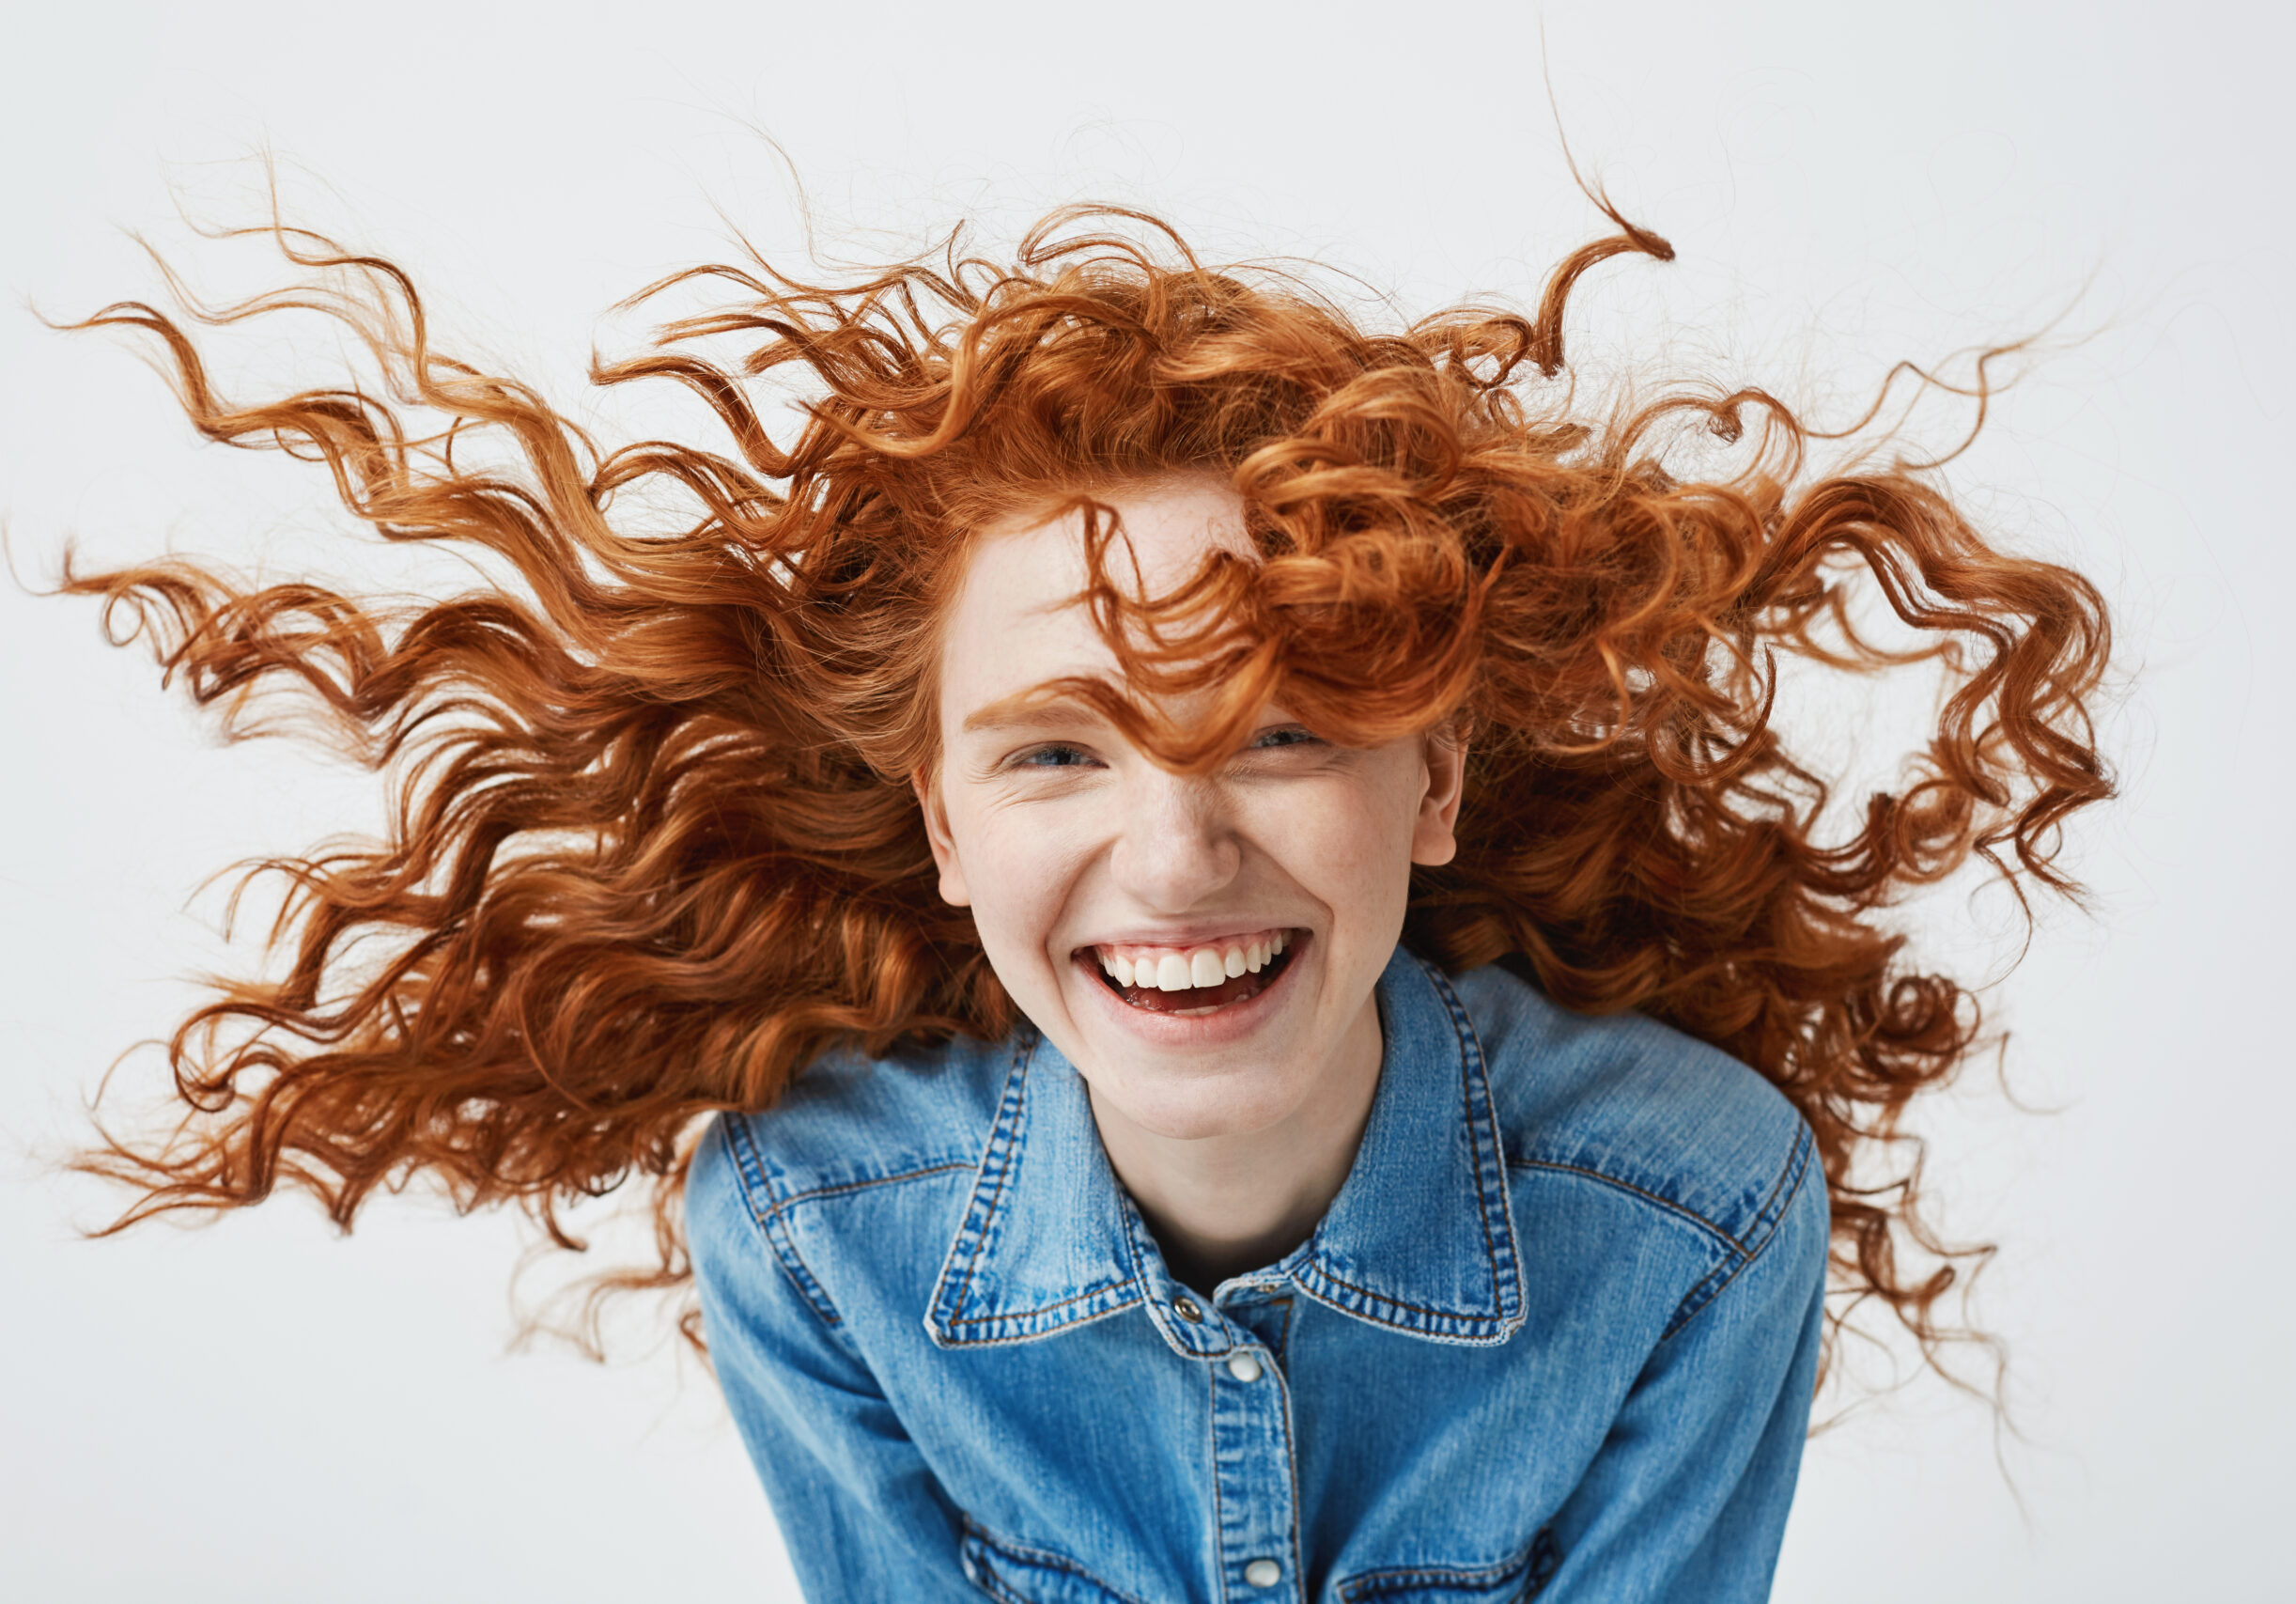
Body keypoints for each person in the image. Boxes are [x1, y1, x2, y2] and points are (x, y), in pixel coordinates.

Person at [55, 193, 2111, 1601]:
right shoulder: (801, 1218)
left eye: (1284, 731)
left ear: (1435, 775)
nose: (1177, 850)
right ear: (942, 822)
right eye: (1055, 750)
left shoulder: (1697, 1202)